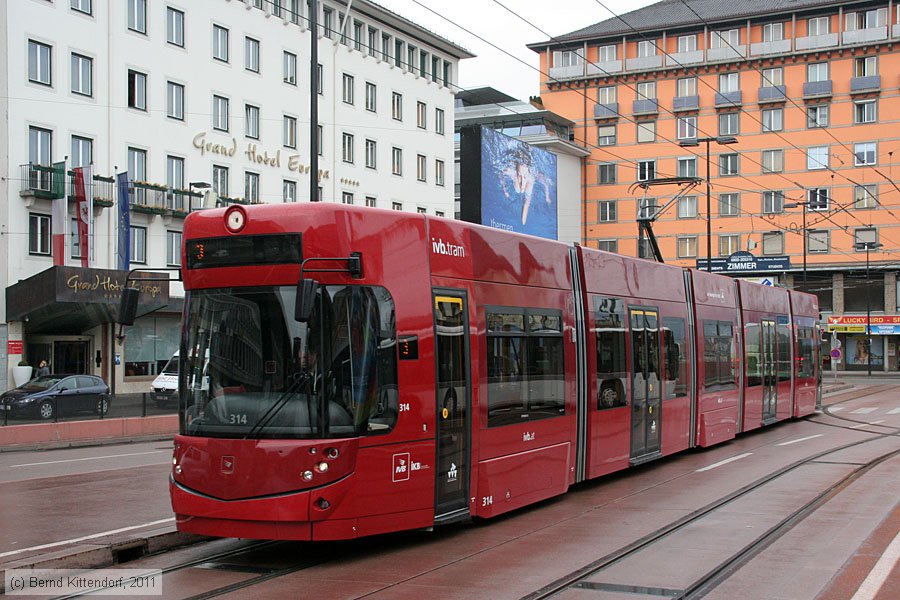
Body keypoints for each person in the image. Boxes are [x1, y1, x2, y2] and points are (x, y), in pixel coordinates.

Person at [499, 148, 552, 225]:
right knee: (518, 189)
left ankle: (523, 222)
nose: (522, 180)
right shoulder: (512, 172)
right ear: (516, 170)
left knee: (527, 199)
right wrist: (505, 190)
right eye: (520, 175)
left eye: (524, 176)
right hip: (516, 175)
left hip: (529, 181)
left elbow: (545, 183)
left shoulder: (533, 175)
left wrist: (547, 196)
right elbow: (501, 174)